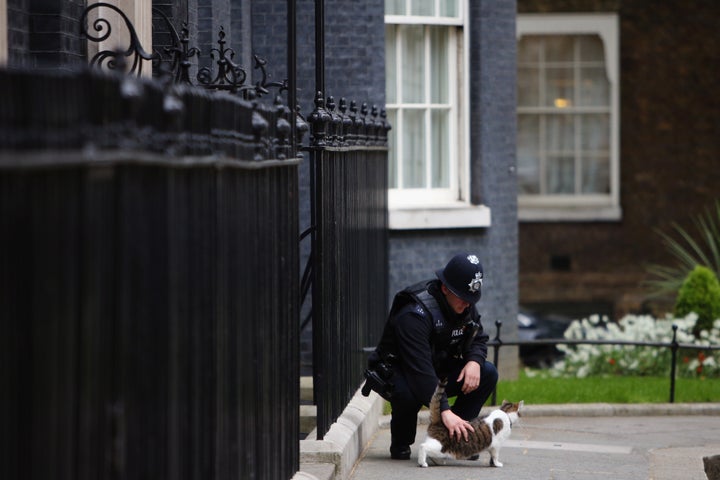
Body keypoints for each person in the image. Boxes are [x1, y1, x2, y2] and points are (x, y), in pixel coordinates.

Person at [364, 252, 498, 460]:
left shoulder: (464, 304)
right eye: (464, 298)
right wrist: (444, 410)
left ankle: (459, 437)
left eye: (472, 299)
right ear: (445, 288)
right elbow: (420, 371)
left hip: (438, 366)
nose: (468, 305)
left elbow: (479, 337)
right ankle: (401, 442)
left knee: (487, 372)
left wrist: (474, 361)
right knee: (408, 394)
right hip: (404, 372)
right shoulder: (414, 315)